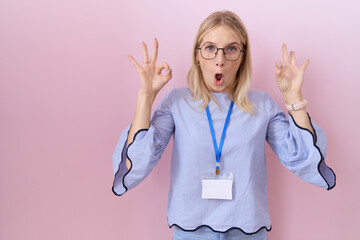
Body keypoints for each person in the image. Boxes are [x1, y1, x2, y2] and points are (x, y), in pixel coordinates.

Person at [112, 10, 336, 240]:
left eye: (231, 49)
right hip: (191, 233)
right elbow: (136, 161)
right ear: (197, 55)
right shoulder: (176, 103)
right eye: (210, 48)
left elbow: (303, 157)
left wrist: (293, 98)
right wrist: (146, 96)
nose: (220, 60)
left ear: (242, 57)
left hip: (248, 233)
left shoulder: (263, 105)